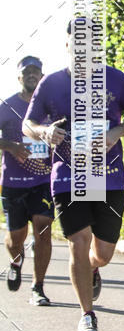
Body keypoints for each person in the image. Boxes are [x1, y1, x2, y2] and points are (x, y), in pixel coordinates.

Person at [23, 22, 124, 331]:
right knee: (77, 243)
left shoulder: (115, 78)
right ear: (67, 44)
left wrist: (117, 131)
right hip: (67, 176)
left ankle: (93, 268)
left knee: (102, 253)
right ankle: (87, 315)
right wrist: (44, 132)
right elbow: (29, 123)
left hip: (108, 178)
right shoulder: (51, 83)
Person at [1, 56, 54, 305]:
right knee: (15, 239)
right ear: (19, 77)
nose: (32, 75)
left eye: (37, 71)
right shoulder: (6, 105)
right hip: (13, 182)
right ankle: (15, 260)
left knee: (43, 232)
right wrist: (11, 146)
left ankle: (38, 287)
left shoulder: (49, 106)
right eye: (27, 72)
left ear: (41, 76)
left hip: (43, 181)